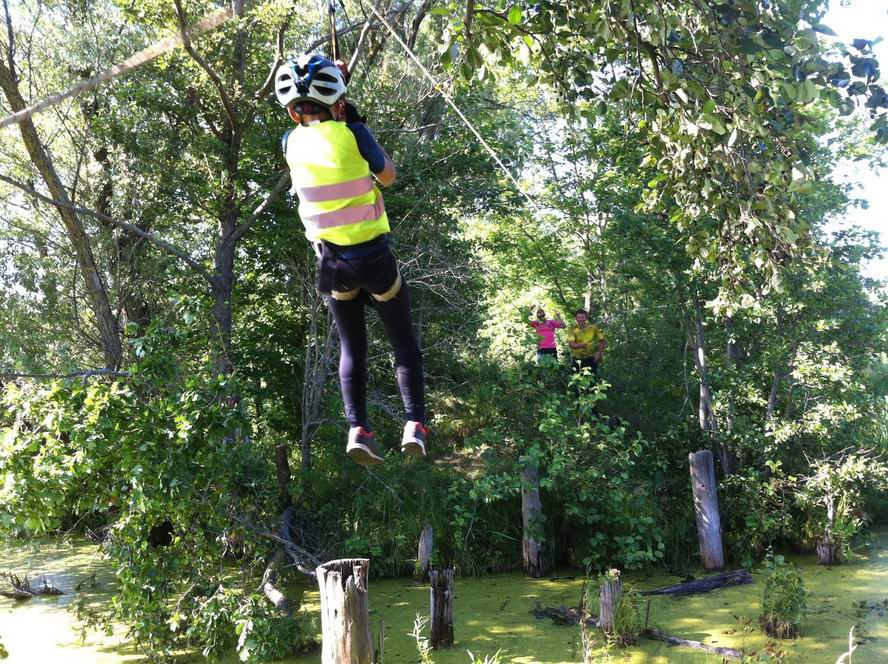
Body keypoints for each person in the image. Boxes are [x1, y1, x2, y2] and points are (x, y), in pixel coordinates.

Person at [275, 53, 427, 465]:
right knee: (403, 344)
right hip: (373, 259)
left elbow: (318, 129)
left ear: (292, 112)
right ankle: (414, 423)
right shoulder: (354, 133)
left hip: (333, 265)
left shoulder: (289, 143)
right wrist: (354, 120)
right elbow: (388, 175)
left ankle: (357, 429)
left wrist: (341, 98)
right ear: (338, 104)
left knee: (352, 347)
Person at [567, 308, 606, 376]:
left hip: (590, 359)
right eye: (579, 317)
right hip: (577, 359)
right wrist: (582, 345)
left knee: (591, 383)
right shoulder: (572, 329)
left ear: (586, 318)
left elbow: (602, 340)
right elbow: (571, 345)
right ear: (576, 318)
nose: (581, 319)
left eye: (583, 317)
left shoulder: (592, 328)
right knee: (577, 383)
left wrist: (599, 353)